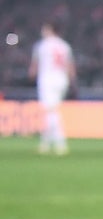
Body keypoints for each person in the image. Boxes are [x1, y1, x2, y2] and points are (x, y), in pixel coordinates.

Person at [32, 21, 71, 156]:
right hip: (62, 80)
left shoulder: (42, 45)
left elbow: (34, 66)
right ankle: (45, 143)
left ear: (49, 30)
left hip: (47, 80)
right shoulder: (64, 45)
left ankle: (61, 143)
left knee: (52, 112)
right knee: (51, 111)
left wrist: (31, 75)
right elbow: (70, 66)